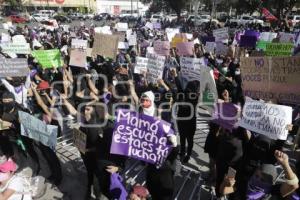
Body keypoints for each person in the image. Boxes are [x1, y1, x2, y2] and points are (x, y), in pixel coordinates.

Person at [220, 150, 299, 199]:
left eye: (262, 180)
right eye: (256, 176)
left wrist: (285, 164)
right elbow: (224, 191)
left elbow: (294, 185)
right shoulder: (245, 183)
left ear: (270, 182)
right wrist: (226, 183)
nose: (257, 180)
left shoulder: (271, 191)